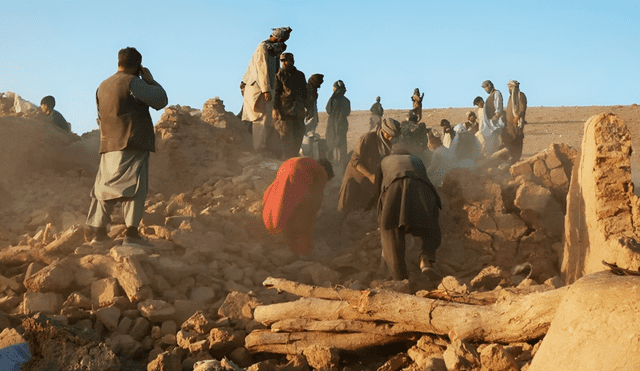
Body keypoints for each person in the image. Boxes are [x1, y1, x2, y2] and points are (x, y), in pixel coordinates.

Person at [86, 47, 168, 248]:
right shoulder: (134, 82)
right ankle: (131, 233)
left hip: (108, 145)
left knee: (104, 187)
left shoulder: (102, 86)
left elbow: (99, 116)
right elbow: (160, 100)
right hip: (132, 142)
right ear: (138, 66)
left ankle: (98, 233)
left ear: (118, 62)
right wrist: (150, 80)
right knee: (135, 187)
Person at [375, 145, 442, 281]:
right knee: (430, 225)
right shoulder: (416, 160)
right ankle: (426, 259)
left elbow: (378, 190)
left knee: (390, 231)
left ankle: (399, 278)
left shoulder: (385, 161)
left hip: (395, 189)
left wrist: (382, 216)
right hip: (423, 189)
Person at [262, 157, 334, 255]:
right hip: (297, 171)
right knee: (303, 212)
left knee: (282, 201)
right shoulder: (321, 171)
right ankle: (300, 249)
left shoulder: (306, 163)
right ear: (325, 168)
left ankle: (275, 230)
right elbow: (315, 199)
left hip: (285, 166)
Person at [242, 27, 292, 156]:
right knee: (260, 118)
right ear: (279, 39)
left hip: (266, 88)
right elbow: (262, 69)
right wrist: (266, 90)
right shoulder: (263, 47)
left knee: (267, 119)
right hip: (258, 89)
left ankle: (262, 147)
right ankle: (258, 149)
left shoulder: (271, 49)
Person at [338, 118, 399, 214]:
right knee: (346, 210)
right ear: (383, 131)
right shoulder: (367, 138)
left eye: (393, 136)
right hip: (356, 179)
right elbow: (355, 161)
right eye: (389, 135)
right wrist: (370, 175)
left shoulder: (389, 143)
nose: (391, 139)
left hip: (371, 182)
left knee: (364, 211)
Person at [273, 52, 307, 159]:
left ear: (292, 61)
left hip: (299, 111)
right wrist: (274, 109)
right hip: (285, 111)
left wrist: (307, 107)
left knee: (298, 137)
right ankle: (286, 161)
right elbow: (276, 93)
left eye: (286, 60)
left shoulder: (300, 75)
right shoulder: (279, 75)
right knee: (286, 139)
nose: (284, 63)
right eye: (282, 61)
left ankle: (294, 159)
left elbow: (305, 93)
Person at [325, 80, 351, 164]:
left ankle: (331, 161)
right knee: (342, 145)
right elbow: (347, 113)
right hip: (342, 124)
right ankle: (343, 163)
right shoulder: (347, 101)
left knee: (330, 143)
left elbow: (328, 110)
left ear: (336, 88)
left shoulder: (333, 99)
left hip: (332, 124)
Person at [503, 80, 528, 163]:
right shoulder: (511, 97)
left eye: (510, 87)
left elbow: (522, 109)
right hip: (510, 126)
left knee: (517, 141)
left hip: (517, 125)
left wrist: (517, 117)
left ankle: (516, 159)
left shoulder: (520, 96)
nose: (509, 88)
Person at [480, 80, 506, 156]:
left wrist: (496, 116)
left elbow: (498, 107)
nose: (485, 90)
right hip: (489, 126)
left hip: (494, 125)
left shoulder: (496, 93)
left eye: (485, 87)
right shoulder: (490, 96)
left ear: (489, 86)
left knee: (494, 145)